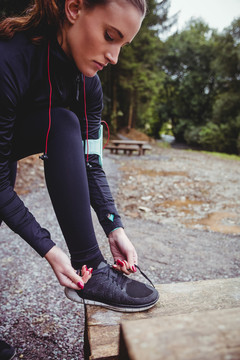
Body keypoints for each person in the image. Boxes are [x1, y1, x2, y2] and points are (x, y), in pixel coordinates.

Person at [0, 1, 159, 351]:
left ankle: (91, 265)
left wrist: (114, 226)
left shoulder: (89, 86)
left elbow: (91, 162)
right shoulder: (8, 60)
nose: (114, 56)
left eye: (122, 45)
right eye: (109, 36)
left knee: (64, 122)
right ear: (74, 9)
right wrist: (48, 248)